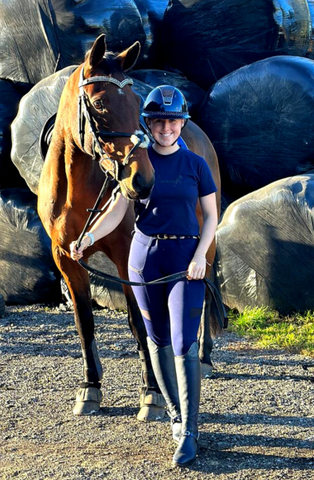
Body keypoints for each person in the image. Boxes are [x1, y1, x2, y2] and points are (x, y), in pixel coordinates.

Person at [70, 85, 218, 467]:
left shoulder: (196, 165)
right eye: (158, 121)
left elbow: (212, 217)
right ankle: (174, 416)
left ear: (181, 123)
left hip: (186, 260)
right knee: (157, 339)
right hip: (145, 258)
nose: (166, 128)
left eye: (172, 121)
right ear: (148, 124)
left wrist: (201, 256)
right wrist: (87, 237)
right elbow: (118, 211)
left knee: (185, 341)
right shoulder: (138, 162)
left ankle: (190, 431)